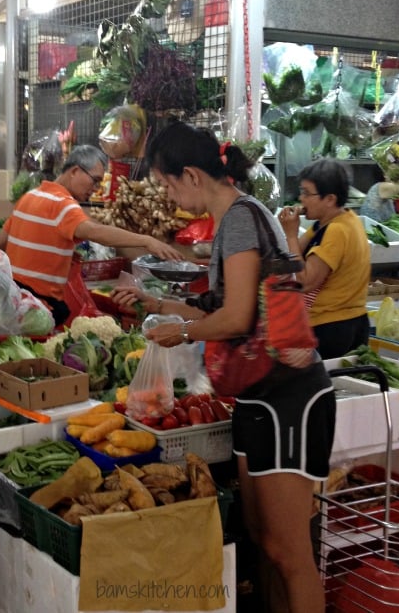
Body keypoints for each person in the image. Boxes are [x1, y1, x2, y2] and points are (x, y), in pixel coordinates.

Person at [111, 122, 335, 613]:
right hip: (259, 393)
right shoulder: (234, 218)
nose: (170, 195)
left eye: (169, 184)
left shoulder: (237, 218)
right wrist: (158, 304)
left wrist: (185, 332)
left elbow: (232, 320)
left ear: (191, 174)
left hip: (290, 395)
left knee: (289, 551)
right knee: (261, 541)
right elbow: (229, 313)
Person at [0, 144, 182, 325]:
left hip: (15, 300)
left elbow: (1, 242)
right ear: (75, 171)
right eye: (95, 180)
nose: (96, 188)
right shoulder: (63, 204)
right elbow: (95, 231)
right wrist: (146, 241)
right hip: (40, 307)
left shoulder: (29, 197)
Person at [279, 158, 370, 359]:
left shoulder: (337, 230)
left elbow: (304, 281)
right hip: (350, 321)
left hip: (333, 328)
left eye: (306, 193)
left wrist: (291, 234)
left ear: (329, 199)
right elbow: (293, 252)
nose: (301, 199)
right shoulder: (335, 221)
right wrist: (288, 233)